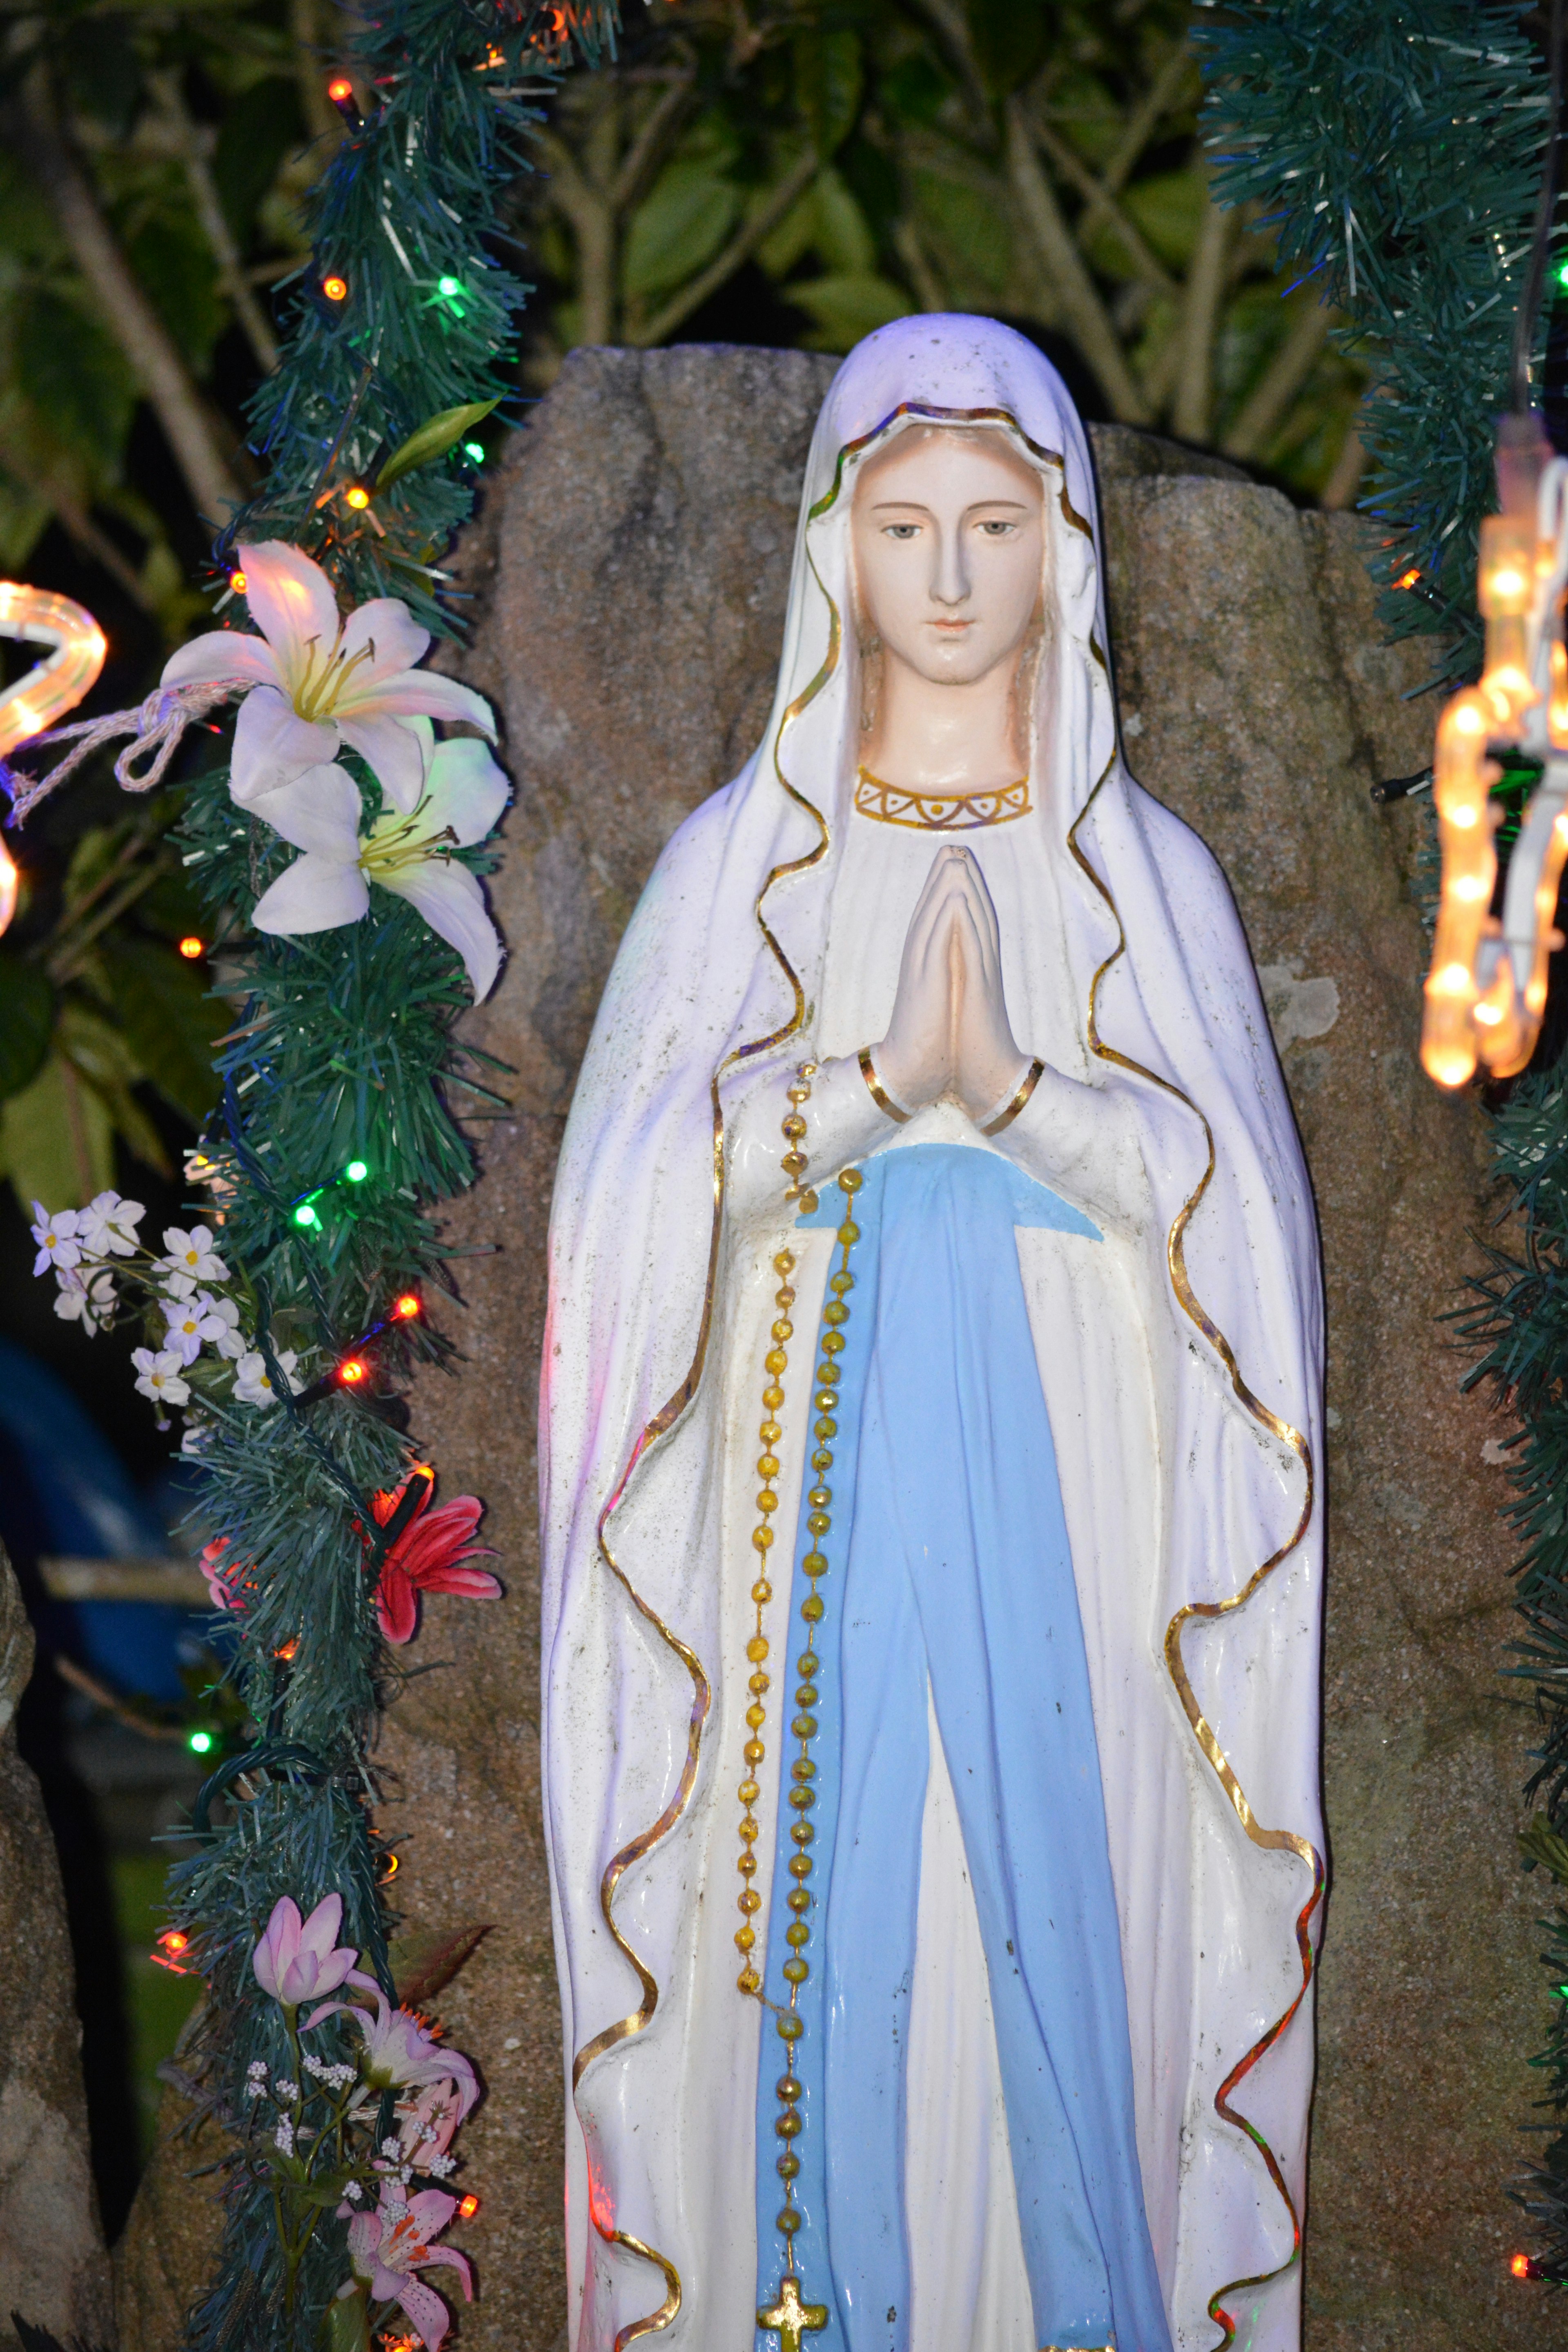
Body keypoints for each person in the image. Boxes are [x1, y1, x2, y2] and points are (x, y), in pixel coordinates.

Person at [541, 315, 1324, 2352]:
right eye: (906, 526)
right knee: (820, 1964)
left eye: (997, 523)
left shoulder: (1143, 879)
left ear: (1067, 546)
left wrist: (1032, 1099)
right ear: (836, 547)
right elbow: (628, 1201)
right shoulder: (745, 869)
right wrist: (876, 1086)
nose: (955, 577)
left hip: (1086, 1525)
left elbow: (1232, 1233)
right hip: (790, 1532)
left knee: (1057, 1972)